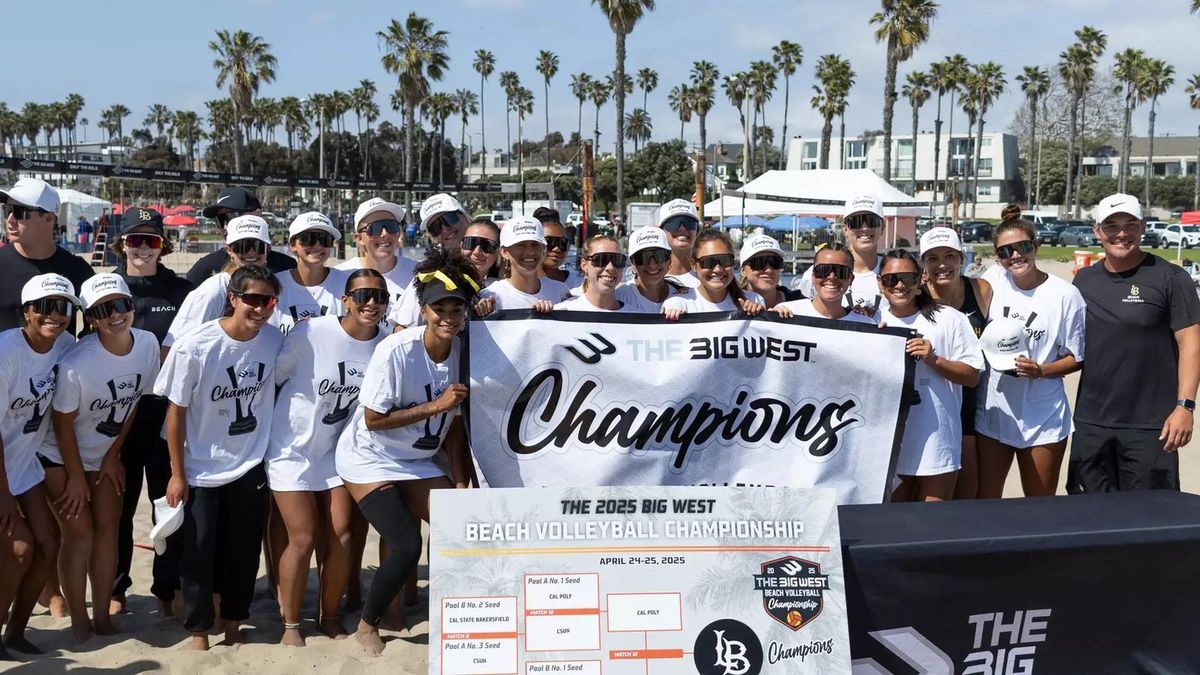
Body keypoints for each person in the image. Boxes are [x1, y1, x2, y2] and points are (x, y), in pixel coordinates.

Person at [336, 250, 477, 656]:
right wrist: (436, 406)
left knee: (463, 524)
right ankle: (368, 623)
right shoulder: (397, 349)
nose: (447, 316)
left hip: (417, 458)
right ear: (423, 308)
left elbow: (453, 426)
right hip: (369, 457)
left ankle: (462, 611)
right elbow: (375, 419)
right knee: (406, 545)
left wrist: (461, 478)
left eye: (457, 308)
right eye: (439, 308)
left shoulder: (466, 350)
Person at [154, 265, 284, 651]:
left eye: (269, 301)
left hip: (249, 462)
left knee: (242, 551)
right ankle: (198, 631)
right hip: (200, 467)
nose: (261, 309)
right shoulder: (195, 346)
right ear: (233, 298)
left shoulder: (274, 341)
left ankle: (232, 624)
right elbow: (175, 413)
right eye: (253, 300)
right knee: (198, 551)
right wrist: (177, 473)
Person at [267, 270, 389, 647]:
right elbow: (275, 378)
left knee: (343, 534)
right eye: (363, 295)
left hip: (338, 455)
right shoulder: (310, 332)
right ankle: (291, 624)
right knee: (302, 537)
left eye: (380, 297)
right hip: (291, 449)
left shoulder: (385, 346)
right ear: (345, 299)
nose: (372, 303)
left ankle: (329, 615)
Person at [42, 274, 159, 641]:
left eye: (120, 304)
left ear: (132, 305)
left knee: (108, 532)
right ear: (91, 318)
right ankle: (79, 618)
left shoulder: (148, 344)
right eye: (102, 310)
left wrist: (112, 456)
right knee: (80, 535)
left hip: (103, 453)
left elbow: (136, 401)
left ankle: (104, 615)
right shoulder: (77, 363)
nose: (115, 315)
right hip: (60, 455)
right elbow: (61, 427)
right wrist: (77, 477)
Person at [1069, 193, 1200, 492]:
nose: (1121, 233)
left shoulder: (1171, 277)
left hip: (1150, 424)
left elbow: (1191, 344)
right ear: (1098, 232)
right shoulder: (1084, 281)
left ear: (1142, 226)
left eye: (1130, 224)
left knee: (1151, 520)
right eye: (1111, 225)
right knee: (1089, 518)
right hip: (1092, 422)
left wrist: (1185, 407)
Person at [111, 208, 193, 616]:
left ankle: (166, 587)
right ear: (121, 244)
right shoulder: (104, 288)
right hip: (116, 414)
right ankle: (116, 588)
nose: (143, 247)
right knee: (119, 507)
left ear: (164, 245)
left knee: (169, 501)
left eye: (152, 240)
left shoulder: (181, 291)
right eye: (134, 240)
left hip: (165, 413)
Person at [974, 219, 1085, 498]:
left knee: (1039, 505)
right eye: (1004, 251)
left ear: (1036, 246)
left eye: (1022, 246)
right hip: (994, 411)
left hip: (1043, 415)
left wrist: (1041, 370)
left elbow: (1077, 357)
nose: (1014, 256)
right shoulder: (993, 281)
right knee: (986, 501)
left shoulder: (1065, 295)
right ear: (997, 257)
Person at [0, 274, 77, 657]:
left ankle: (15, 632)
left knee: (49, 544)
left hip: (25, 461)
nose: (55, 315)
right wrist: (3, 496)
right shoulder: (6, 353)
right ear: (27, 312)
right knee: (19, 550)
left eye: (63, 307)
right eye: (45, 307)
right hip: (1, 466)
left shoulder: (66, 346)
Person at [877, 250, 983, 502]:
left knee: (932, 526)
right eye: (891, 279)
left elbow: (972, 377)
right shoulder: (869, 321)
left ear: (921, 279)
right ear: (880, 283)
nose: (900, 285)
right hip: (886, 447)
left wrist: (934, 359)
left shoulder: (950, 319)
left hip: (937, 443)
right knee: (893, 527)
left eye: (908, 278)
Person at [918, 227, 993, 499]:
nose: (942, 264)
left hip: (973, 400)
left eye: (950, 256)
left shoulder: (981, 289)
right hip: (933, 406)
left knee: (968, 496)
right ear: (923, 264)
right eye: (933, 258)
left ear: (962, 258)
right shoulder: (916, 298)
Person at [163, 215, 272, 350]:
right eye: (242, 246)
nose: (251, 252)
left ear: (268, 250)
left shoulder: (272, 287)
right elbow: (173, 347)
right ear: (229, 250)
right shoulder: (215, 289)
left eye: (258, 246)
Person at [0, 178, 94, 334]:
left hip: (60, 359)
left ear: (49, 218)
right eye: (7, 210)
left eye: (19, 212)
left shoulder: (78, 270)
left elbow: (94, 335)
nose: (9, 220)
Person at [388, 193, 470, 330]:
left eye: (449, 219)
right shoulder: (429, 273)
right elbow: (401, 326)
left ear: (465, 217)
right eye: (435, 228)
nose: (444, 229)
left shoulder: (497, 257)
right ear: (432, 237)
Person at [334, 198, 416, 330]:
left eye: (391, 226)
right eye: (375, 228)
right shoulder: (339, 276)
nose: (385, 234)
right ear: (358, 238)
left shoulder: (418, 274)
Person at [797, 194, 887, 315]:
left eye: (872, 221)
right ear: (845, 229)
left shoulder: (894, 273)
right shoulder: (817, 273)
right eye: (856, 222)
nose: (864, 228)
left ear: (882, 227)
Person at [186, 187, 295, 284]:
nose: (225, 227)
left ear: (258, 215)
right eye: (219, 220)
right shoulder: (204, 271)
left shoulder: (288, 269)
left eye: (230, 217)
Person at [662, 230, 765, 318]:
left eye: (725, 260)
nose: (718, 269)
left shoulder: (754, 300)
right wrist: (672, 319)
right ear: (694, 265)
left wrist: (763, 316)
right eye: (708, 262)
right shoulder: (678, 304)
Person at [274, 212, 348, 335]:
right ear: (293, 245)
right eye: (308, 239)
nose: (317, 245)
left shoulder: (346, 283)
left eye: (324, 240)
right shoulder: (276, 285)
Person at [479, 216, 572, 311]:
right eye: (521, 245)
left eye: (535, 244)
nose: (530, 252)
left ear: (543, 250)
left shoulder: (560, 291)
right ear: (504, 252)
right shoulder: (489, 296)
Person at [772, 244, 876, 325]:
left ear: (851, 279)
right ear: (813, 276)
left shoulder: (865, 324)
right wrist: (768, 318)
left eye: (841, 271)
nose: (831, 277)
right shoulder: (788, 312)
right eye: (823, 270)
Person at [615, 227, 691, 312]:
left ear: (669, 259)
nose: (652, 265)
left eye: (659, 255)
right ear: (632, 263)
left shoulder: (687, 297)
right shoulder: (617, 298)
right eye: (643, 257)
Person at [554, 236, 632, 312]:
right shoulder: (562, 311)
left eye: (617, 260)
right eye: (600, 259)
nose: (610, 267)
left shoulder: (637, 316)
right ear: (584, 265)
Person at [738, 234, 798, 309]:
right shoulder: (732, 305)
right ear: (743, 271)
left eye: (775, 262)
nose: (769, 270)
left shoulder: (799, 302)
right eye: (759, 263)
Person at [534, 207, 582, 290]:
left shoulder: (580, 283)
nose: (557, 249)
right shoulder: (522, 285)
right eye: (549, 242)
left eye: (562, 242)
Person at [658, 199, 701, 288]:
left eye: (689, 223)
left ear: (697, 231)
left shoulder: (709, 276)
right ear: (661, 231)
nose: (682, 228)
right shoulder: (650, 277)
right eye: (674, 223)